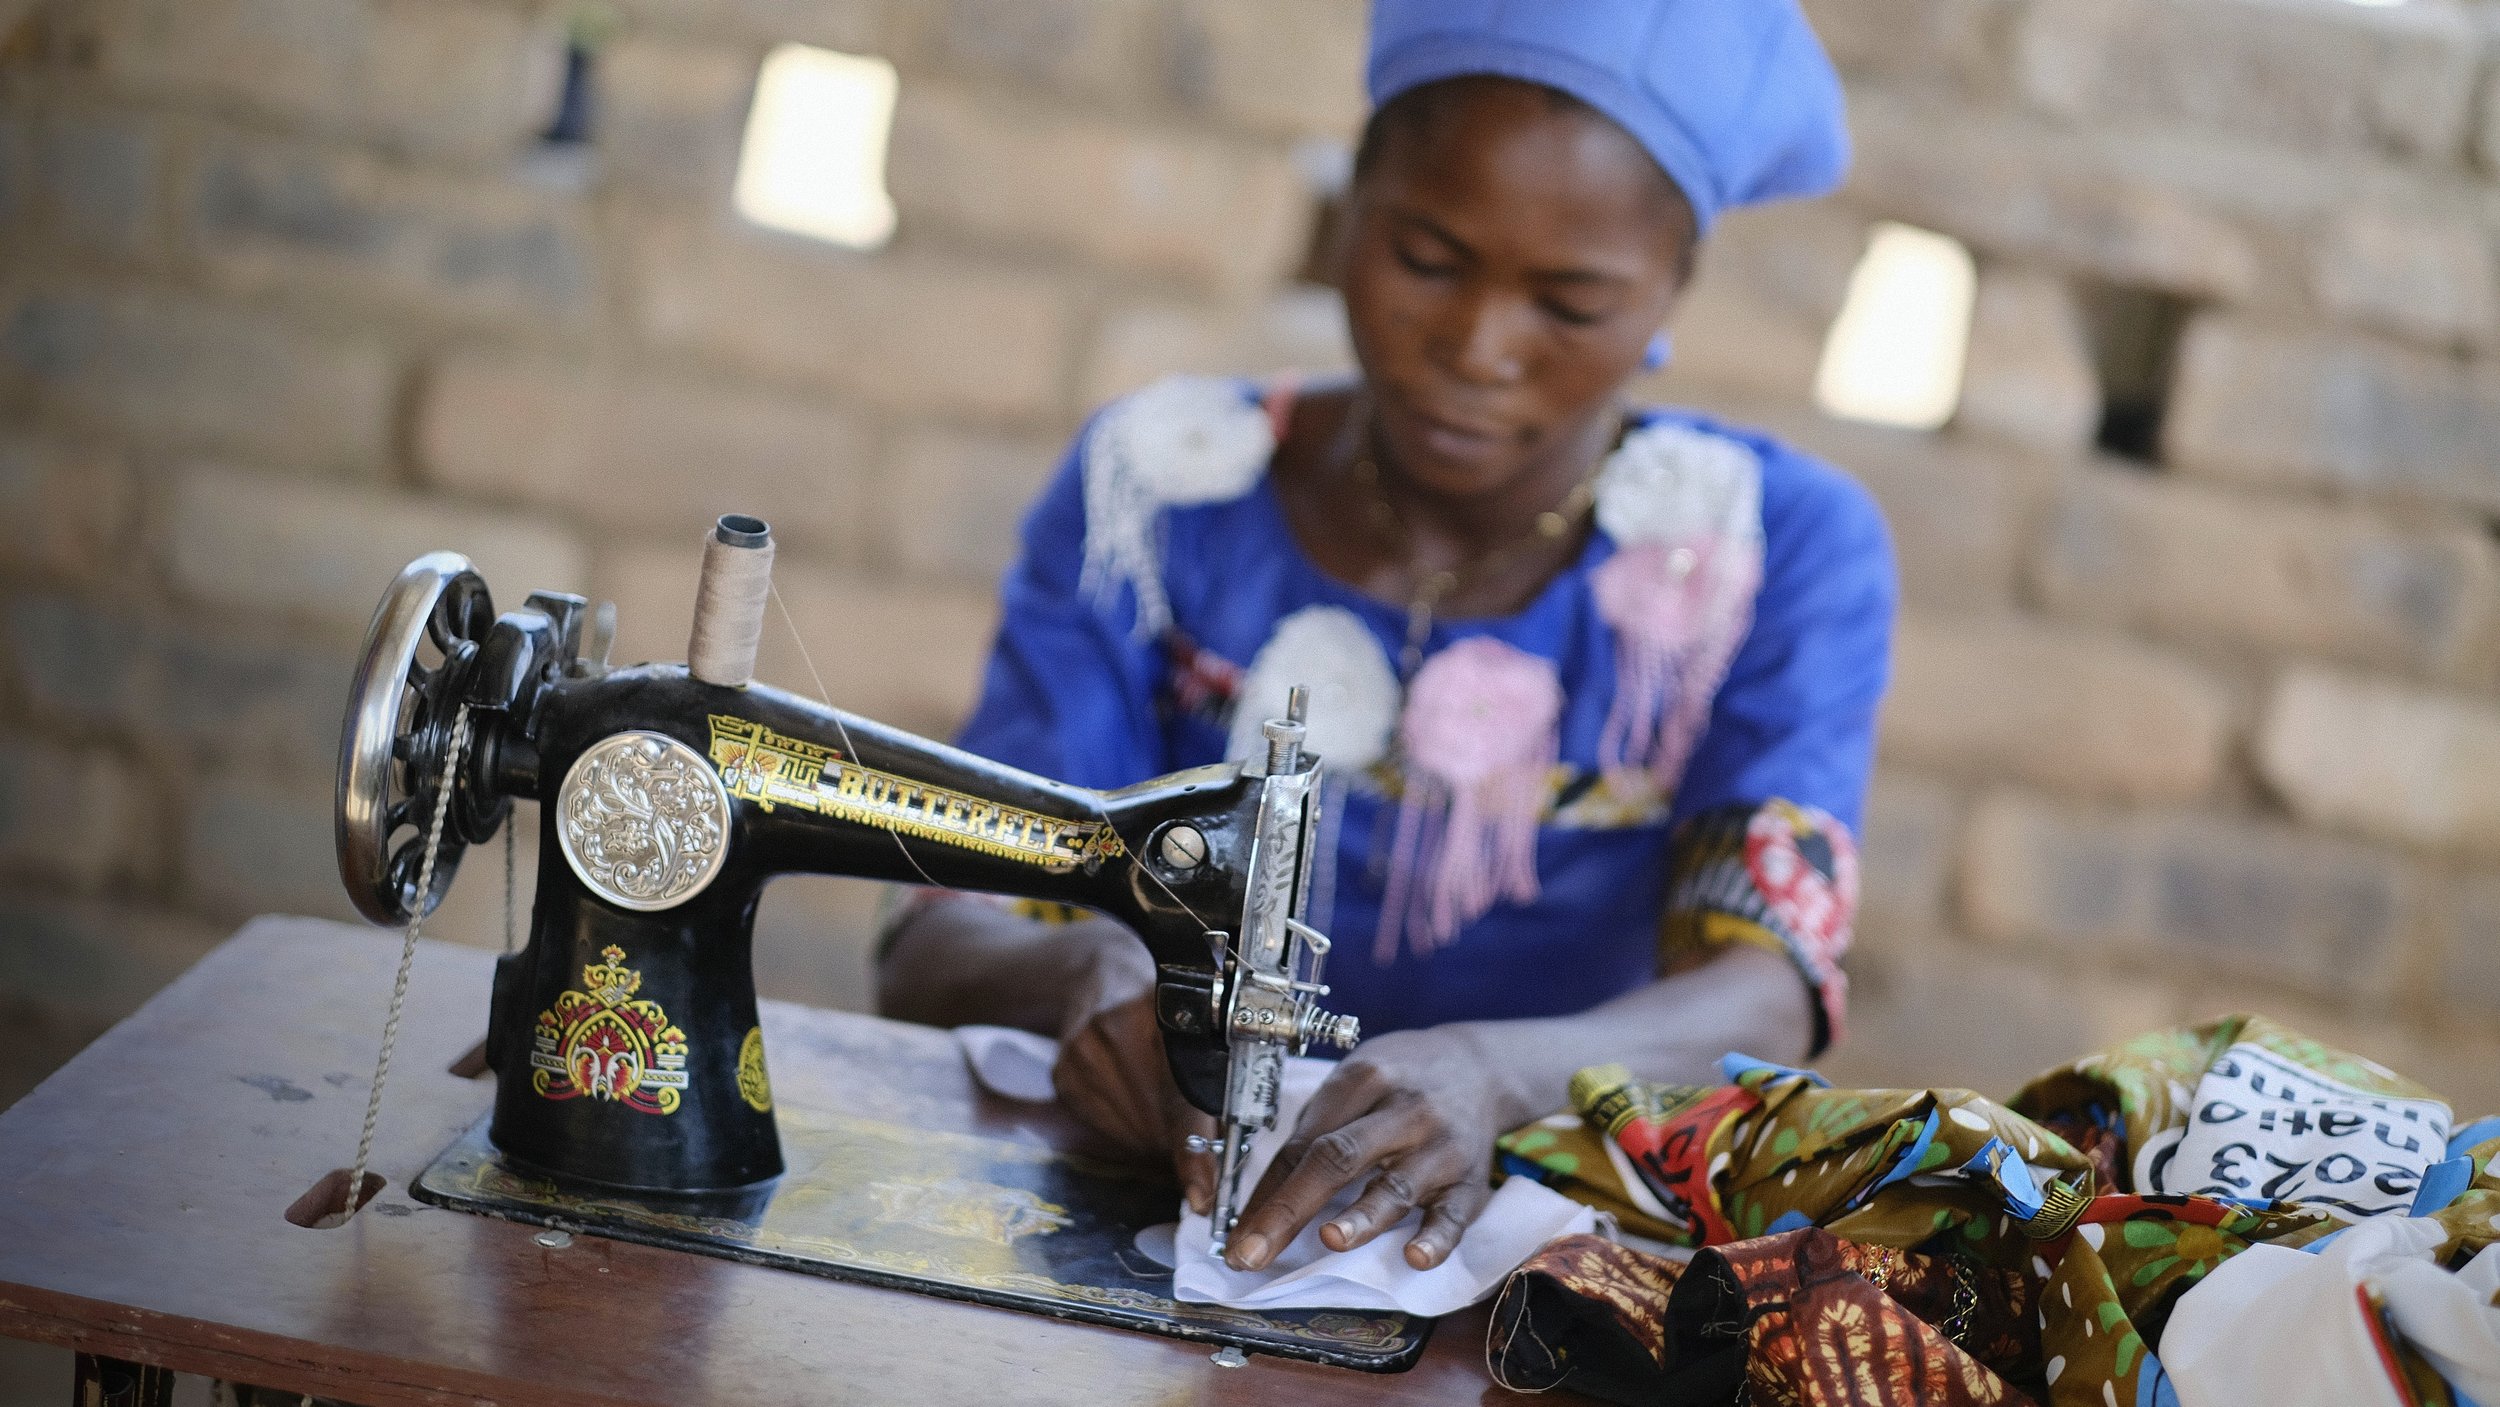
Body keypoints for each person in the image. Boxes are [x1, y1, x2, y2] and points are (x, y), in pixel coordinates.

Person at [878, 0, 1894, 1278]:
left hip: (1526, 1261)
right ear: (1344, 213)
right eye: (1424, 256)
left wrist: (1494, 1070)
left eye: (1570, 303)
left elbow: (1769, 988)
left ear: (1668, 296)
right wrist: (1081, 967)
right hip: (1130, 1198)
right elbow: (934, 939)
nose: (1476, 349)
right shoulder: (1157, 494)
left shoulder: (1771, 551)